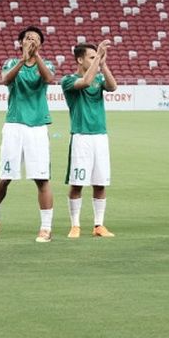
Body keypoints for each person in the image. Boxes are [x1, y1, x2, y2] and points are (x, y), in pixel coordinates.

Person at [0, 26, 55, 242]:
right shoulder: (10, 63)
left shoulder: (46, 64)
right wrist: (23, 59)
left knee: (42, 178)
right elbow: (6, 79)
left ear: (41, 44)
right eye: (27, 38)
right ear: (20, 42)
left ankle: (46, 228)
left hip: (37, 127)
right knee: (5, 177)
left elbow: (49, 79)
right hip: (14, 125)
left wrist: (36, 56)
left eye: (35, 39)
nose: (31, 40)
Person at [61, 40, 118, 238]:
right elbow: (84, 82)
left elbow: (113, 87)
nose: (96, 59)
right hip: (81, 136)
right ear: (79, 59)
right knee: (77, 183)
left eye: (96, 56)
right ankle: (75, 225)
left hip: (100, 136)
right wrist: (98, 61)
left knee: (100, 183)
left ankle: (98, 225)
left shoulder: (98, 77)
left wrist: (103, 64)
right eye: (92, 57)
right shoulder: (68, 80)